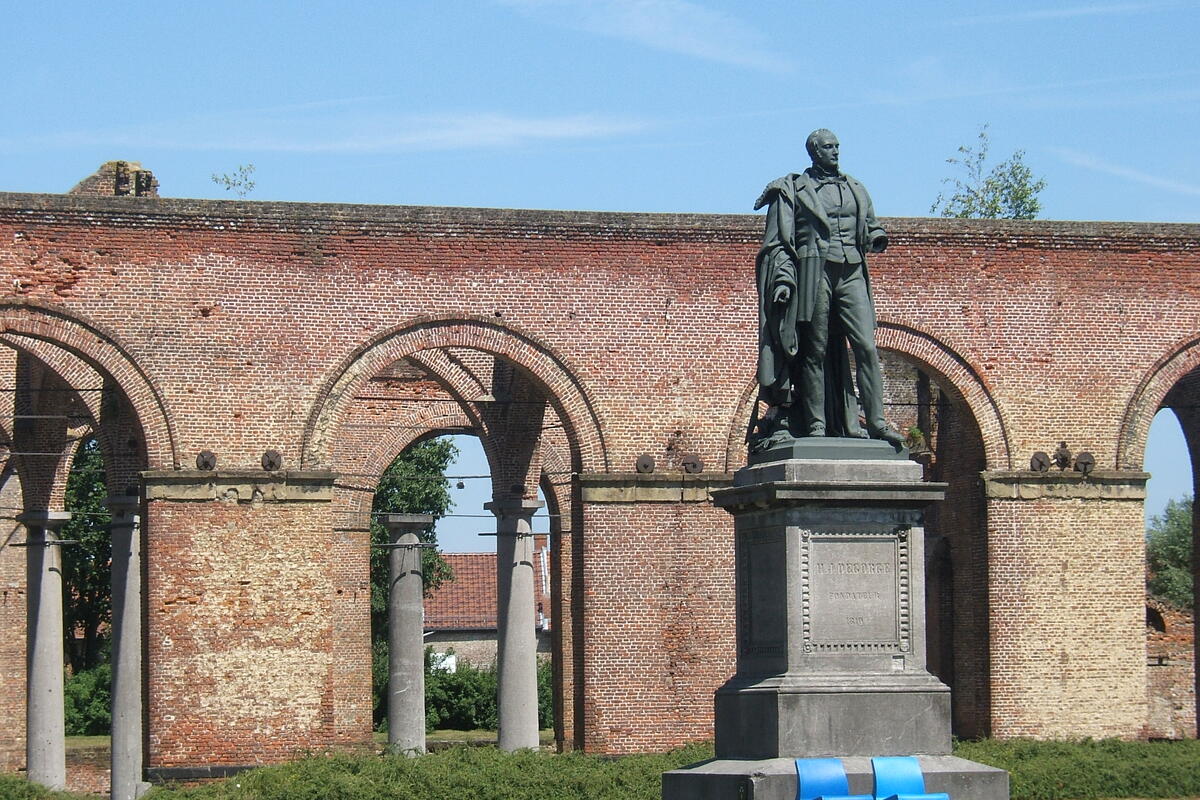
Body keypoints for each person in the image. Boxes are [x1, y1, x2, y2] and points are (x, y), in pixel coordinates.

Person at [751, 129, 903, 450]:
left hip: (852, 272)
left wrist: (876, 236)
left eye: (837, 147)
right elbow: (781, 242)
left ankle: (876, 422)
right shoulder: (794, 189)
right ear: (814, 152)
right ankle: (816, 422)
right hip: (814, 272)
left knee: (866, 346)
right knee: (814, 349)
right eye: (828, 148)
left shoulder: (856, 188)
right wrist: (782, 280)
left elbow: (870, 224)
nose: (835, 152)